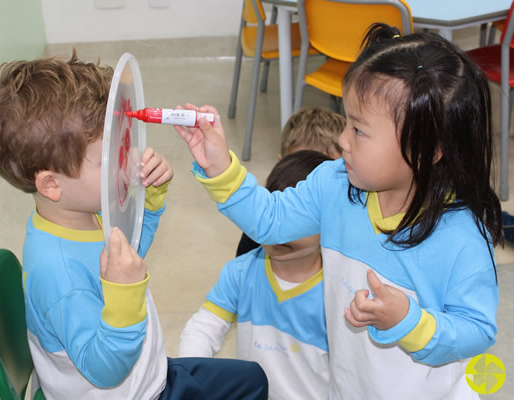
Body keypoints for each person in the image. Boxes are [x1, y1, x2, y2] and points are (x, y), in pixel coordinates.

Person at [174, 23, 502, 399]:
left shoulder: (460, 238)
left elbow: (476, 330)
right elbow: (271, 220)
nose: (342, 140)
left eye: (359, 130)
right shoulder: (335, 184)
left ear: (426, 150)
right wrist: (220, 168)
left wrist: (409, 322)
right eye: (347, 121)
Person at [0, 53, 268, 399]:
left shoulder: (80, 211)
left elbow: (129, 253)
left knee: (252, 380)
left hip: (147, 371)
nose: (124, 159)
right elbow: (105, 368)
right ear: (51, 184)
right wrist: (125, 295)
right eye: (106, 157)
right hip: (132, 390)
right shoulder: (59, 274)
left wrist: (150, 201)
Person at [179, 150, 331, 400]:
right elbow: (204, 328)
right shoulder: (242, 271)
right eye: (275, 214)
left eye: (297, 220)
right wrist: (190, 374)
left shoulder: (338, 291)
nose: (283, 232)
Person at [236, 107, 345, 256]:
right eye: (302, 172)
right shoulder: (263, 219)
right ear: (280, 166)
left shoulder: (350, 226)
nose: (313, 188)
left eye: (327, 176)